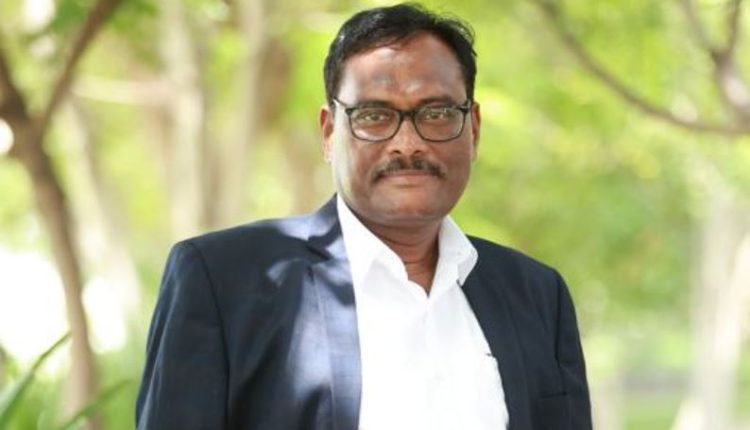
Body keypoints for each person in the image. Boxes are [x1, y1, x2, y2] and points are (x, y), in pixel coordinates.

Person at [136, 3, 591, 430]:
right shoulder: (225, 282)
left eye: (436, 113)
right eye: (374, 115)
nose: (407, 144)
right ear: (329, 132)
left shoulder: (536, 295)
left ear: (472, 129)